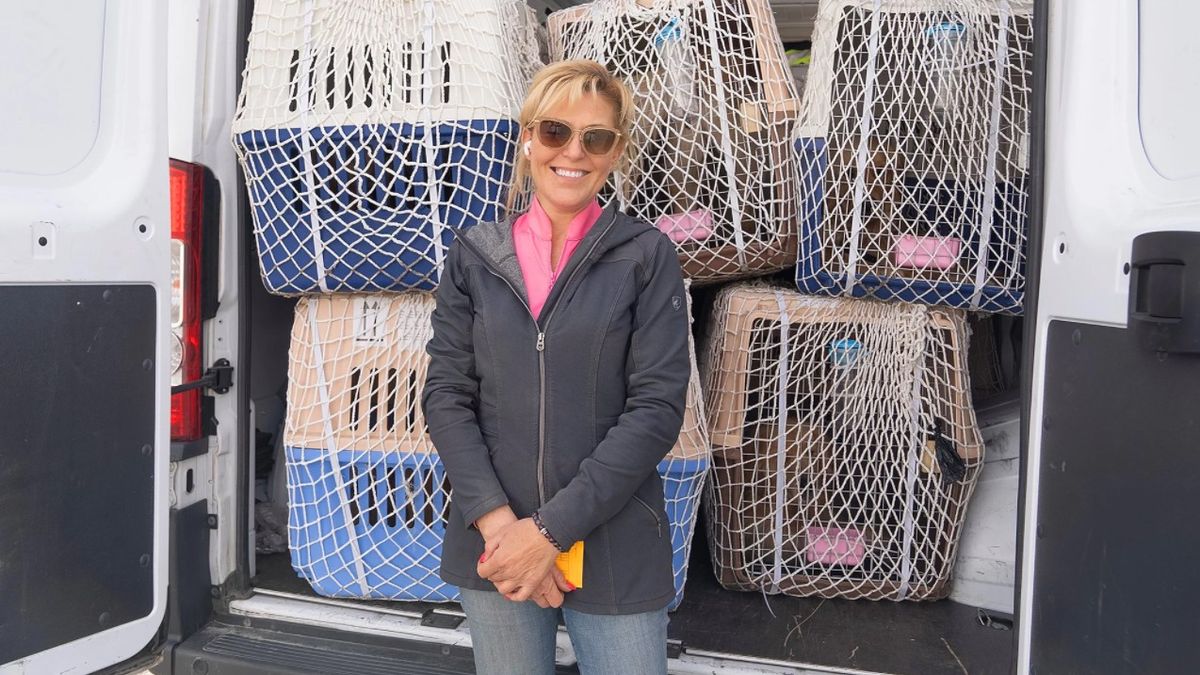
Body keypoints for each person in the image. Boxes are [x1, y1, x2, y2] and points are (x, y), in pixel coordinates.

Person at [421, 59, 690, 675]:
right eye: (554, 131)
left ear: (616, 151)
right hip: (495, 537)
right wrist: (503, 530)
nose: (573, 151)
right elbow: (445, 396)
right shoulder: (474, 256)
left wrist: (545, 537)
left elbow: (655, 411)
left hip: (613, 541)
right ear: (527, 137)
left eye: (595, 138)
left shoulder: (646, 257)